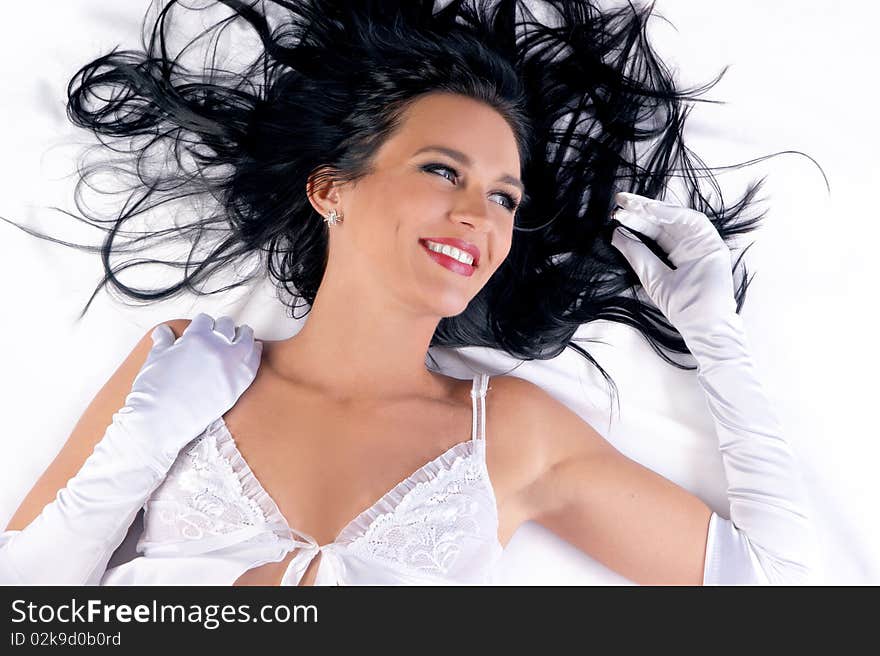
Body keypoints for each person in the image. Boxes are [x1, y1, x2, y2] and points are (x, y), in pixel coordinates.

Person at [0, 0, 817, 585]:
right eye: (441, 170)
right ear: (332, 190)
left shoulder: (511, 436)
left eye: (505, 197)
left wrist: (715, 335)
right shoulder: (181, 373)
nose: (477, 215)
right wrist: (137, 445)